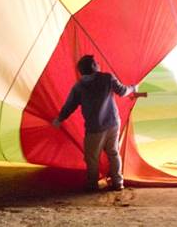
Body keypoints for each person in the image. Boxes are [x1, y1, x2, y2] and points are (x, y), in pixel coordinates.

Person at [51, 55, 141, 191]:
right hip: (113, 123)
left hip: (95, 128)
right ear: (93, 66)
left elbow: (69, 106)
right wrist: (134, 88)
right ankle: (118, 183)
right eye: (96, 63)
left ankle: (92, 185)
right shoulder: (107, 78)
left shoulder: (79, 86)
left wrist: (59, 119)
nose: (99, 64)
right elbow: (122, 91)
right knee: (113, 153)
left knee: (92, 158)